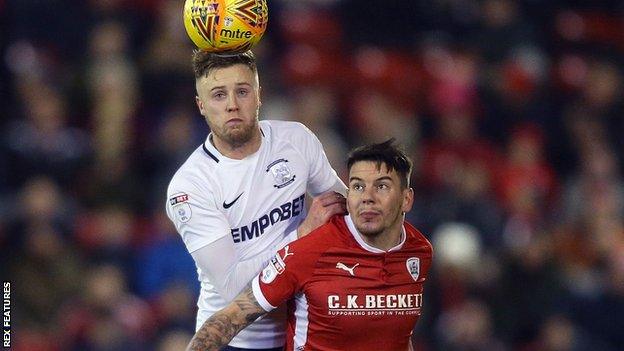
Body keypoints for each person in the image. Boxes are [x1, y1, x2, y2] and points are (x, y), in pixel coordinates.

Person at [166, 50, 347, 351]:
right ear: (201, 105)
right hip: (236, 340)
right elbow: (233, 286)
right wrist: (302, 237)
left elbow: (343, 213)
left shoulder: (296, 140)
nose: (232, 105)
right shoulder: (190, 186)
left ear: (259, 95)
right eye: (218, 95)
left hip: (303, 331)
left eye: (242, 91)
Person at [187, 139, 434, 351]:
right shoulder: (310, 251)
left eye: (381, 186)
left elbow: (399, 337)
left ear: (406, 199)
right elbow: (231, 317)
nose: (367, 197)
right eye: (358, 186)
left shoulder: (419, 252)